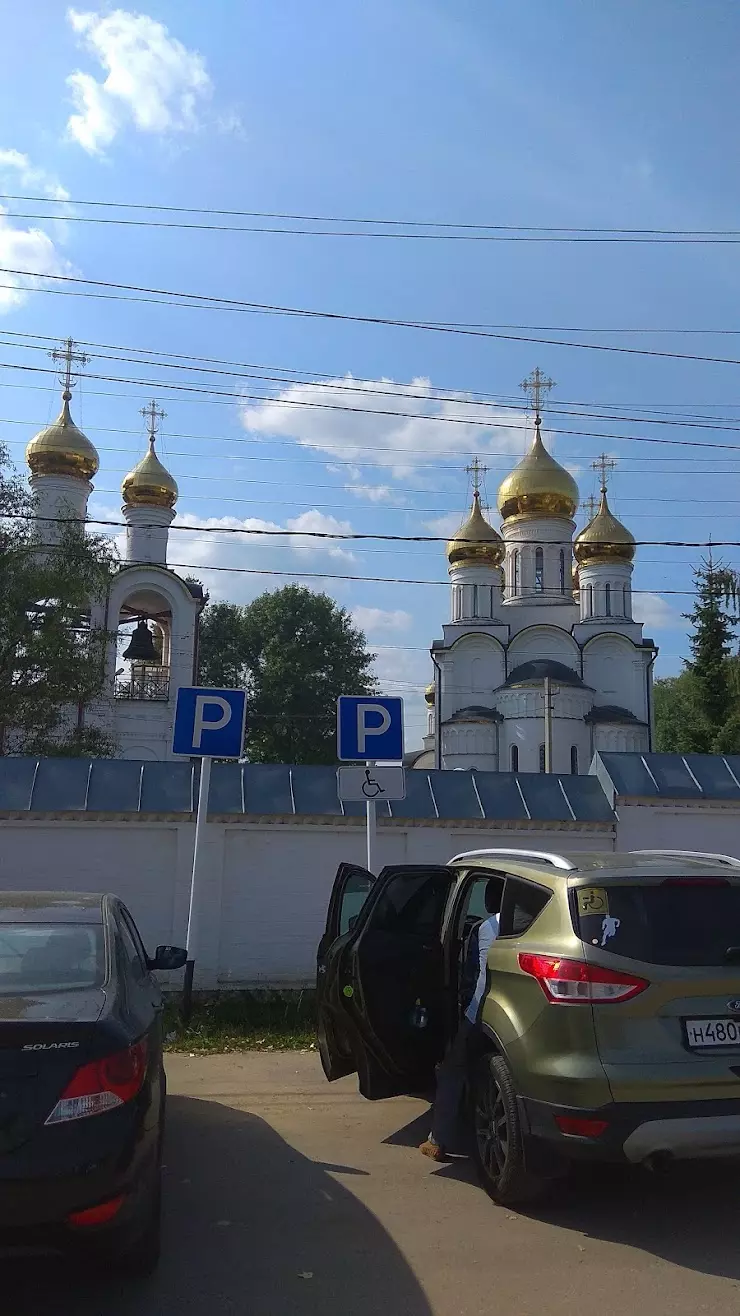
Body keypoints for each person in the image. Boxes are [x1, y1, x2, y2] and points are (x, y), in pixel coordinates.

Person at [419, 876, 502, 1161]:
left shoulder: (485, 929)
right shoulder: (532, 927)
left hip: (483, 1012)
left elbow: (470, 977)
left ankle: (438, 1139)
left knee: (453, 1069)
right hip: (522, 1020)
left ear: (491, 903)